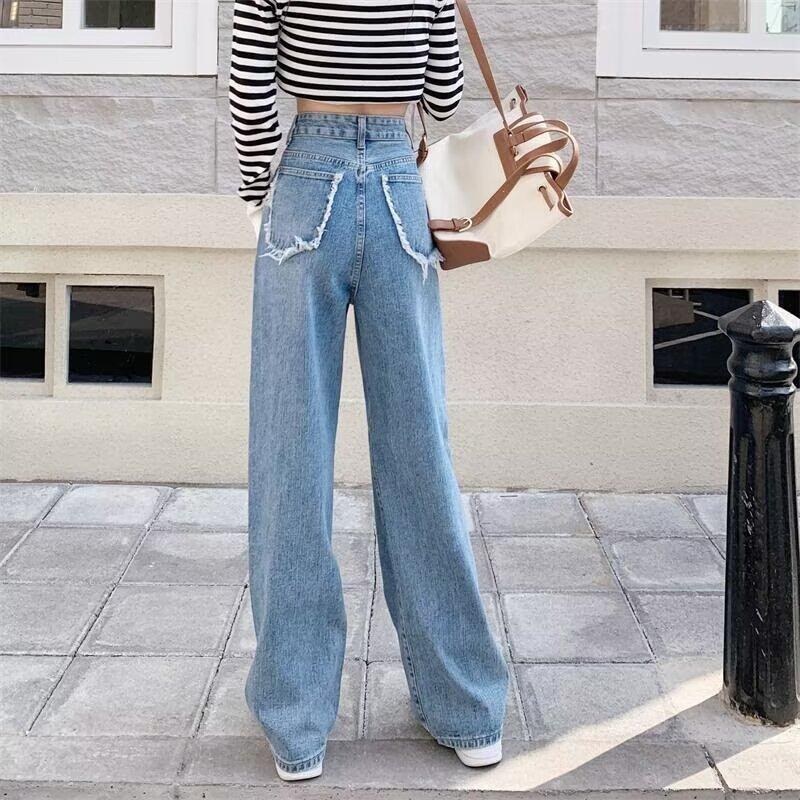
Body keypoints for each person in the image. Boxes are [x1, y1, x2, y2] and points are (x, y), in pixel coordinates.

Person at [229, 0, 509, 782]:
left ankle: (296, 727)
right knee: (421, 452)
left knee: (291, 457)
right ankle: (468, 710)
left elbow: (250, 85)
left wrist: (256, 191)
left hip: (305, 180)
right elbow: (444, 96)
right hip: (396, 185)